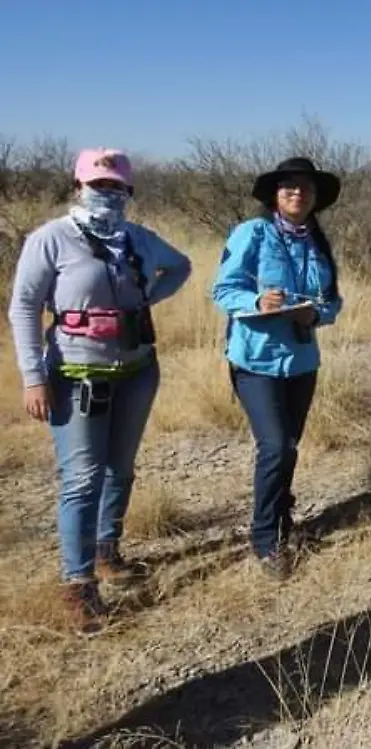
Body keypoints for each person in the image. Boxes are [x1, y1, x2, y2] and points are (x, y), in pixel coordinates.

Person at [7, 148, 193, 636]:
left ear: (128, 192)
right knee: (81, 479)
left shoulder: (136, 239)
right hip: (75, 374)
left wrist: (149, 296)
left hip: (136, 370)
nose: (106, 194)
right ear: (78, 186)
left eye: (116, 186)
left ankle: (107, 549)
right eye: (98, 184)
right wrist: (33, 377)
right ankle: (78, 583)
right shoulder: (51, 239)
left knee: (121, 469)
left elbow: (181, 266)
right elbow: (24, 307)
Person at [211, 157, 344, 581]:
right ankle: (266, 538)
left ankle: (284, 516)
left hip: (302, 361)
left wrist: (316, 315)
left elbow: (332, 301)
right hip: (256, 360)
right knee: (276, 446)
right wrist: (256, 303)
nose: (297, 193)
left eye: (305, 188)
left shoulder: (317, 243)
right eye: (289, 187)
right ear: (274, 194)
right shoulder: (252, 233)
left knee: (290, 444)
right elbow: (223, 288)